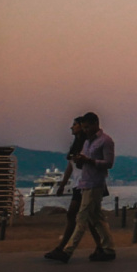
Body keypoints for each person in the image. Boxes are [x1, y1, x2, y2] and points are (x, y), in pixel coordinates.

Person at [45, 112, 116, 263]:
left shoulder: (105, 141)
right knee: (96, 218)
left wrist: (89, 161)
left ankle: (67, 251)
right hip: (84, 183)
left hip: (95, 184)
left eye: (87, 127)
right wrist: (80, 160)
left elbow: (109, 163)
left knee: (81, 218)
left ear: (96, 124)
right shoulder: (87, 142)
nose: (85, 130)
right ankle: (107, 249)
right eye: (83, 127)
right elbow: (79, 163)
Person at [44, 117, 89, 260]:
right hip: (77, 184)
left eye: (74, 125)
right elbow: (70, 166)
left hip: (85, 183)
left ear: (81, 127)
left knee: (72, 215)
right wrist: (62, 184)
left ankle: (62, 248)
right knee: (93, 219)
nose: (71, 127)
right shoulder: (75, 145)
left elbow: (85, 164)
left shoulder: (86, 144)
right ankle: (104, 247)